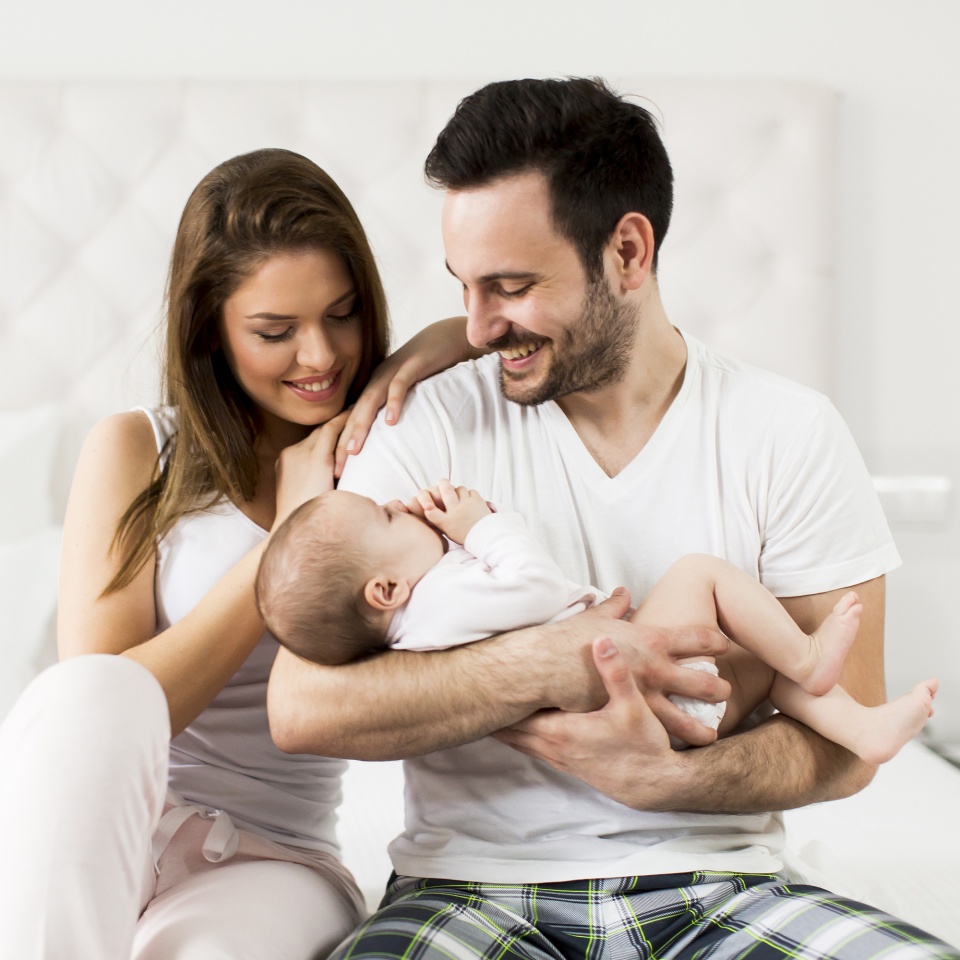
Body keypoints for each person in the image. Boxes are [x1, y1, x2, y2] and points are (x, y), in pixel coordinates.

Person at [267, 79, 960, 959]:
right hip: (472, 891)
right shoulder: (422, 422)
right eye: (464, 289)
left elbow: (852, 738)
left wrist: (669, 782)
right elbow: (302, 707)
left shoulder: (787, 431)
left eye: (510, 286)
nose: (476, 327)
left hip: (725, 888)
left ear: (628, 250)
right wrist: (547, 660)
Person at [0, 147, 482, 959]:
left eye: (343, 313)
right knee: (84, 693)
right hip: (95, 833)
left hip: (270, 857)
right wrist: (276, 545)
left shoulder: (386, 450)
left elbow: (536, 343)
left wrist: (435, 347)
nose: (321, 356)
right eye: (274, 331)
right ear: (211, 332)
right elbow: (116, 709)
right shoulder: (136, 450)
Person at [258, 480, 935, 765]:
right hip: (643, 702)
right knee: (701, 573)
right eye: (386, 517)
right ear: (384, 589)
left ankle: (861, 729)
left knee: (761, 663)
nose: (404, 507)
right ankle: (813, 662)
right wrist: (480, 526)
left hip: (646, 704)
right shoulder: (440, 603)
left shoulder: (422, 626)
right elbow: (535, 587)